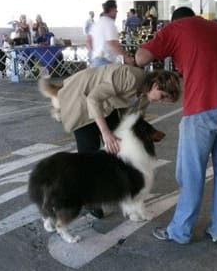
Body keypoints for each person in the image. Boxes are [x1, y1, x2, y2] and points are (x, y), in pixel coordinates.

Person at [135, 7, 217, 244]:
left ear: (177, 20)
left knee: (191, 172)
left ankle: (180, 231)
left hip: (204, 106)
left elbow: (142, 57)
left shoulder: (176, 27)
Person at [53, 63, 182, 218]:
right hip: (80, 98)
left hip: (107, 104)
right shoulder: (130, 77)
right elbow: (93, 99)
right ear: (155, 85)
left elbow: (132, 120)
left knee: (118, 146)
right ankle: (88, 199)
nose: (160, 102)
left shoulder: (147, 96)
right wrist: (106, 133)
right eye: (162, 96)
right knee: (89, 152)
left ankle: (124, 192)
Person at [87, 0, 135, 67]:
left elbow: (88, 40)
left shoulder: (97, 23)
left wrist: (93, 53)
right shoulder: (109, 23)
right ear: (112, 10)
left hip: (95, 61)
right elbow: (113, 44)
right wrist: (126, 57)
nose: (116, 12)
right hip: (105, 63)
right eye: (116, 10)